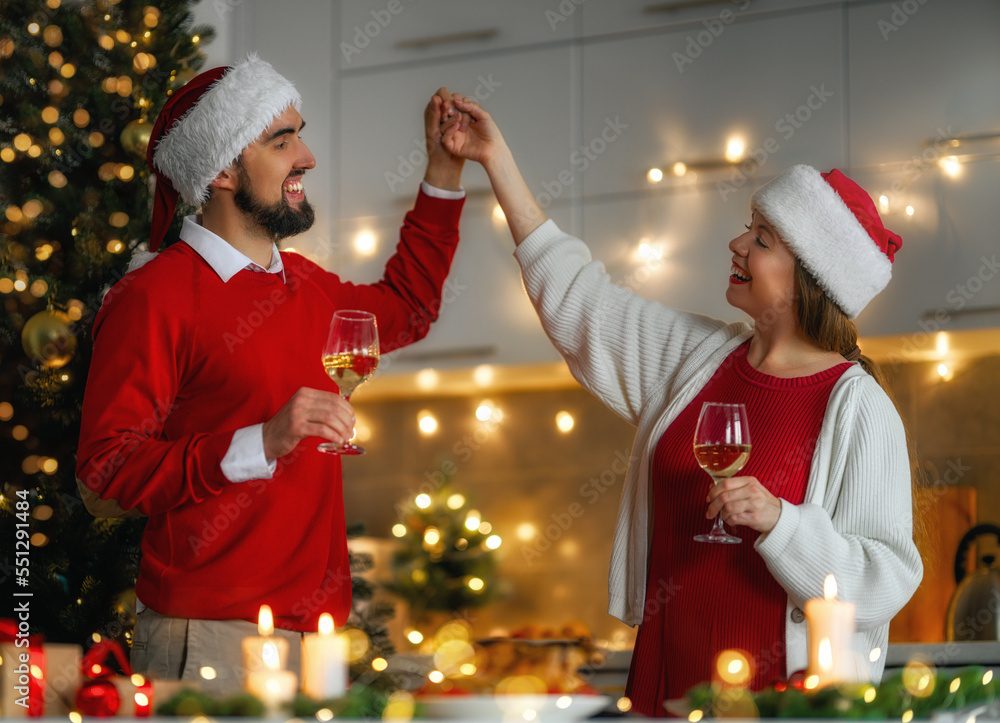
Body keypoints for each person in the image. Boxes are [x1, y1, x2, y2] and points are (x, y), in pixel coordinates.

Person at [438, 97, 923, 714]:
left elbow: (887, 576)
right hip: (665, 683)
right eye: (750, 227)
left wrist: (783, 522)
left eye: (763, 239)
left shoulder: (858, 407)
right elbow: (583, 303)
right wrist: (495, 160)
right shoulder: (697, 359)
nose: (738, 243)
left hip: (783, 707)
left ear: (810, 280)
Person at [75, 54, 469, 693]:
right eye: (282, 142)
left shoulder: (306, 288)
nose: (307, 157)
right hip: (208, 638)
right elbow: (105, 474)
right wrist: (260, 441)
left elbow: (409, 309)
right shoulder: (156, 296)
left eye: (300, 135)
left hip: (317, 640)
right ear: (224, 169)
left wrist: (443, 171)